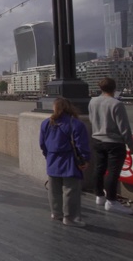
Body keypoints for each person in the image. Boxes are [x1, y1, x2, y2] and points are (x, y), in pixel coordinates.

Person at [40, 97, 90, 227]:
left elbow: (42, 143)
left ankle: (56, 213)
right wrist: (85, 159)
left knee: (54, 189)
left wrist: (48, 155)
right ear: (69, 107)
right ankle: (70, 218)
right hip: (69, 161)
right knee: (70, 189)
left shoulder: (46, 123)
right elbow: (82, 145)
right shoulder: (76, 124)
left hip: (52, 159)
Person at [89, 77, 133, 214]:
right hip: (114, 143)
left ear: (100, 88)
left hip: (97, 140)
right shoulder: (116, 104)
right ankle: (111, 201)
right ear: (114, 89)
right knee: (113, 172)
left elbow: (93, 120)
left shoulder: (92, 101)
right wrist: (130, 146)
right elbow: (124, 127)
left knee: (99, 168)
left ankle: (99, 196)